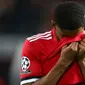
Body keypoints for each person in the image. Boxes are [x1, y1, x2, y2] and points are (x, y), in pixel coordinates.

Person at [20, 1, 85, 85]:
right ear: (54, 24)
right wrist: (63, 62)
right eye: (65, 36)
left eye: (77, 36)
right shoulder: (34, 44)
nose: (71, 41)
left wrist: (82, 60)